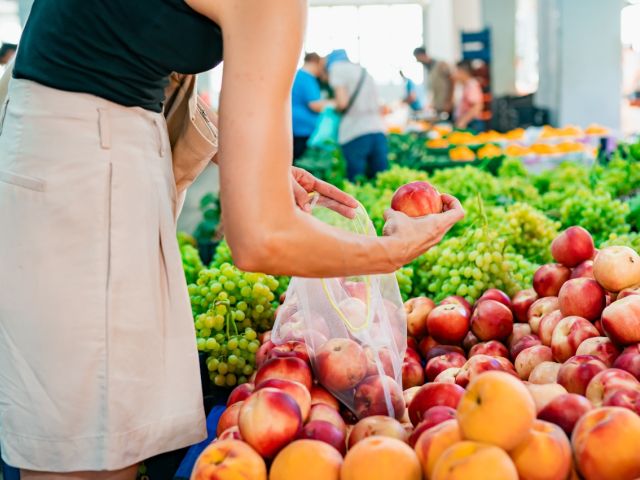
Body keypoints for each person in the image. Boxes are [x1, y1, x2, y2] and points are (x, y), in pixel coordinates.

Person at [0, 1, 464, 478]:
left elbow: (121, 44)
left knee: (93, 431)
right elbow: (260, 241)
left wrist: (256, 164)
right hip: (83, 173)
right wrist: (394, 252)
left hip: (66, 151)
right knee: (89, 448)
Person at [326, 49, 389, 181]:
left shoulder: (337, 69)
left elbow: (342, 103)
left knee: (356, 181)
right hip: (378, 130)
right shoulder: (363, 71)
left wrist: (331, 107)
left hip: (354, 132)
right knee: (380, 179)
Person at [291, 52, 329, 161]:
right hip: (302, 130)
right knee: (302, 161)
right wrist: (334, 103)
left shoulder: (298, 75)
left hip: (296, 126)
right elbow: (315, 105)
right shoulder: (306, 78)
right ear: (315, 63)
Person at [413, 46, 453, 118]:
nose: (418, 61)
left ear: (421, 55)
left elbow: (452, 80)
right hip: (438, 106)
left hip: (447, 106)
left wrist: (449, 101)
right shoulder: (429, 69)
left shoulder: (441, 65)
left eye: (418, 59)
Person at [453, 59, 485, 131]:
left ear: (462, 72)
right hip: (467, 122)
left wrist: (463, 121)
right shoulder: (464, 85)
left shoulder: (472, 85)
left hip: (472, 123)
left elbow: (477, 106)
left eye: (456, 71)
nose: (455, 74)